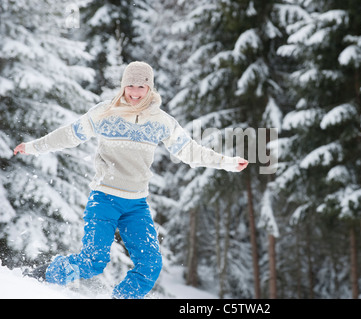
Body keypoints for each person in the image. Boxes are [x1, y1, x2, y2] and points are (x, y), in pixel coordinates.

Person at [14, 61, 248, 299]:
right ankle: (37, 279)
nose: (135, 92)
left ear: (150, 88)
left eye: (141, 86)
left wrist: (227, 162)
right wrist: (32, 147)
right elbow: (69, 135)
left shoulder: (161, 121)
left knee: (150, 266)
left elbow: (190, 151)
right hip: (104, 198)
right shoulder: (105, 113)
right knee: (92, 262)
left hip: (136, 205)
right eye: (130, 86)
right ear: (123, 86)